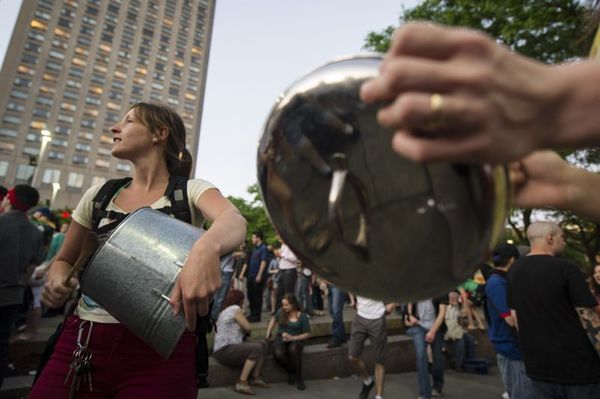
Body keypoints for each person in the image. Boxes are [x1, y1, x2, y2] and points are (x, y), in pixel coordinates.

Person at [32, 102, 246, 398]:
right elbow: (65, 260)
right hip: (83, 341)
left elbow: (234, 221)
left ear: (159, 133)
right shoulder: (98, 195)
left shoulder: (191, 191)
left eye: (128, 121)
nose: (115, 128)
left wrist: (205, 248)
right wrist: (56, 280)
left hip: (162, 352)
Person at [508, 221, 600, 397]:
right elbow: (589, 319)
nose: (564, 242)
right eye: (562, 237)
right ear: (550, 238)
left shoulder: (514, 271)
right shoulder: (566, 268)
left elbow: (516, 317)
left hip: (538, 369)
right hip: (579, 369)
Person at [0, 185, 44, 389]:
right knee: (1, 345)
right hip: (14, 296)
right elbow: (31, 269)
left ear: (8, 200)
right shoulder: (35, 232)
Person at [485, 243, 534, 399]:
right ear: (513, 259)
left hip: (512, 345)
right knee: (523, 393)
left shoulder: (502, 280)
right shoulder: (497, 283)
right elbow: (511, 320)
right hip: (510, 346)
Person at [13, 221, 70, 343]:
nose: (64, 228)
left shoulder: (60, 238)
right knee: (35, 302)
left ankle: (31, 331)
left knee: (35, 302)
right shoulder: (56, 238)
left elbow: (59, 256)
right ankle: (30, 329)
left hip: (44, 270)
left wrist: (45, 269)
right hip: (44, 269)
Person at [212, 289, 269, 395]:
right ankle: (241, 382)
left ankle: (255, 377)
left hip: (227, 348)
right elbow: (248, 327)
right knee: (257, 348)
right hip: (224, 350)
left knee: (263, 344)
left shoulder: (225, 310)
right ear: (240, 300)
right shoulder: (235, 309)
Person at [347, 294, 395, 399]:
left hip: (377, 319)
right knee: (352, 356)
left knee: (379, 360)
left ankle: (379, 397)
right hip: (360, 318)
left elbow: (396, 286)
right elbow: (348, 282)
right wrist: (352, 299)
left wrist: (393, 303)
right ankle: (368, 381)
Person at [405, 296, 448, 399]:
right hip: (419, 327)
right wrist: (410, 315)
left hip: (436, 327)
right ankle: (425, 394)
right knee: (421, 356)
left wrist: (432, 331)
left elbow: (442, 313)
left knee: (438, 359)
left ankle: (437, 387)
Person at [266, 293, 311, 391]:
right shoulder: (281, 312)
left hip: (296, 339)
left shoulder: (302, 316)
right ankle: (291, 371)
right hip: (281, 339)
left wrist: (292, 338)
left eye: (286, 305)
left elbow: (307, 334)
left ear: (293, 304)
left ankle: (299, 378)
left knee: (293, 349)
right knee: (278, 353)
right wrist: (269, 332)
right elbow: (273, 319)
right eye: (283, 305)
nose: (284, 307)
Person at [246, 231, 268, 322]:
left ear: (258, 238)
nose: (252, 239)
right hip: (250, 275)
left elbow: (263, 262)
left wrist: (259, 275)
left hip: (257, 276)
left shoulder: (263, 248)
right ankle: (252, 314)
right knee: (250, 295)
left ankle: (256, 316)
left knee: (257, 296)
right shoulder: (255, 248)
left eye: (253, 237)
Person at [275, 239, 298, 312]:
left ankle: (290, 313)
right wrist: (278, 256)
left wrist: (282, 255)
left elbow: (294, 258)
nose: (278, 238)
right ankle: (280, 315)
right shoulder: (283, 245)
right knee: (280, 294)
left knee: (288, 294)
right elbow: (281, 260)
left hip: (289, 271)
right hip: (282, 270)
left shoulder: (292, 244)